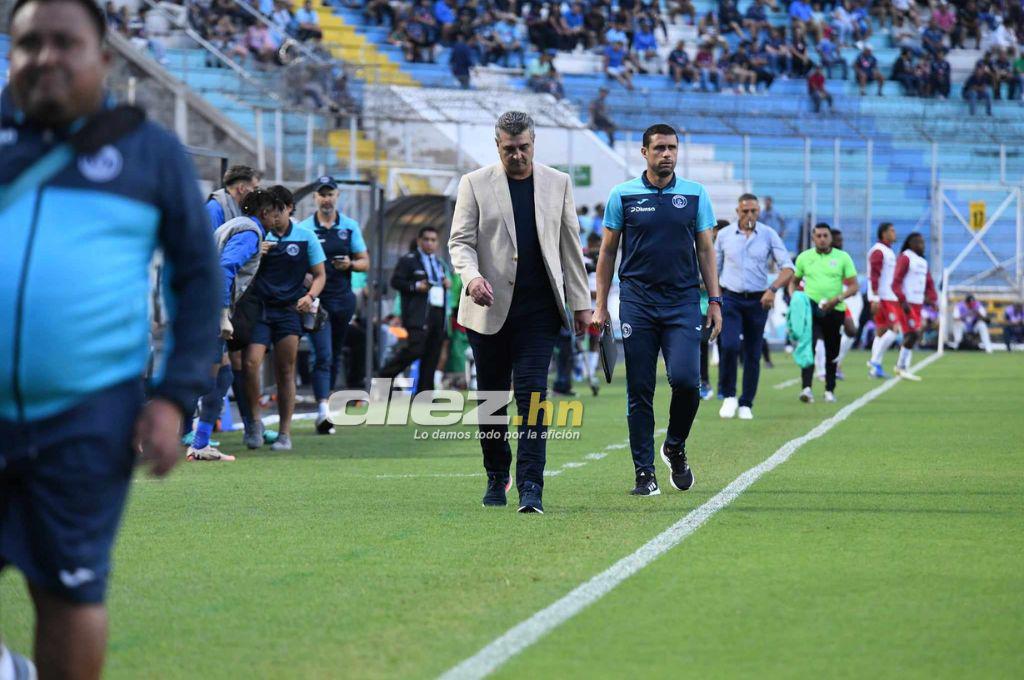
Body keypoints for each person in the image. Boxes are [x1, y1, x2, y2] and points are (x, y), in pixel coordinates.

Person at [1, 0, 221, 675]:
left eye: (65, 42)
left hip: (86, 413)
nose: (46, 56)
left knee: (69, 591)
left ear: (104, 57)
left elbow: (198, 280)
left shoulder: (147, 150)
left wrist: (172, 398)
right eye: (28, 42)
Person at [448, 111, 591, 514]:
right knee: (492, 400)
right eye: (509, 149)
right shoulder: (474, 184)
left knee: (533, 397)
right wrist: (472, 279)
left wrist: (581, 304)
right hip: (487, 307)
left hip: (539, 310)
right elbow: (460, 242)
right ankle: (497, 474)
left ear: (534, 144)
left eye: (524, 147)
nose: (517, 155)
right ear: (498, 146)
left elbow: (569, 247)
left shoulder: (558, 183)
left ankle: (532, 485)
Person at [593, 123, 722, 497]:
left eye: (672, 148)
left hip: (683, 301)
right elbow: (607, 252)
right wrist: (600, 304)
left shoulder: (696, 195)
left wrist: (714, 301)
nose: (667, 154)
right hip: (637, 301)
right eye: (660, 148)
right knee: (640, 389)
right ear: (644, 152)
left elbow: (705, 251)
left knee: (686, 381)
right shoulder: (623, 194)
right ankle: (644, 473)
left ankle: (675, 445)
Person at [243, 190, 327, 451]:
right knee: (250, 363)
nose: (273, 217)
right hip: (260, 308)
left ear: (289, 209)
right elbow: (240, 265)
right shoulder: (259, 235)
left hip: (289, 311)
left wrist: (310, 296)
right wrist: (256, 252)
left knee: (285, 369)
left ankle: (284, 433)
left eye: (278, 211)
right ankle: (255, 424)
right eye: (269, 211)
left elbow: (320, 274)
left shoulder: (305, 236)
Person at [297, 177, 369, 433]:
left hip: (343, 300)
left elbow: (364, 261)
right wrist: (304, 277)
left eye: (330, 194)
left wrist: (349, 264)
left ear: (338, 196)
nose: (326, 199)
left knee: (335, 353)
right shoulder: (304, 228)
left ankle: (327, 405)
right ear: (315, 198)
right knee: (322, 354)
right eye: (321, 194)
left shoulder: (349, 226)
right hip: (318, 301)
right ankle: (322, 409)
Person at [715, 194, 794, 420]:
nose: (749, 215)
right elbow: (714, 268)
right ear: (737, 212)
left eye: (753, 211)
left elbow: (788, 267)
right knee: (729, 346)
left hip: (759, 299)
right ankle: (729, 395)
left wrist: (773, 289)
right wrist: (715, 298)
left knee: (753, 352)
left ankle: (746, 402)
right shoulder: (724, 235)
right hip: (730, 297)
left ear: (758, 212)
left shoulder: (769, 234)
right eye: (745, 211)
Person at [791, 224, 859, 403]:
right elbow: (794, 281)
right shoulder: (804, 257)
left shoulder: (842, 257)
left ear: (830, 238)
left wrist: (838, 298)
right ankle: (806, 388)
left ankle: (830, 389)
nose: (822, 239)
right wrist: (795, 299)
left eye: (825, 235)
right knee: (809, 346)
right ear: (813, 238)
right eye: (818, 236)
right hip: (811, 308)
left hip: (834, 309)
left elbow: (853, 285)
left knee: (832, 350)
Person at [378, 226, 450, 393]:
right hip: (418, 315)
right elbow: (396, 282)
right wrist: (416, 286)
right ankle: (384, 376)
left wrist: (447, 284)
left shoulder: (439, 263)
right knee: (415, 349)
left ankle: (425, 395)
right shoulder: (409, 260)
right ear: (419, 241)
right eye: (426, 239)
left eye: (433, 240)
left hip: (438, 313)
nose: (430, 243)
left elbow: (441, 284)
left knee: (432, 355)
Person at [891, 232, 938, 379]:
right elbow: (896, 282)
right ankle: (900, 367)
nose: (922, 246)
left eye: (923, 243)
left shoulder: (922, 262)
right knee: (913, 334)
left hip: (918, 304)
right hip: (906, 303)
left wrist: (933, 299)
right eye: (919, 243)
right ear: (911, 244)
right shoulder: (906, 257)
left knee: (913, 334)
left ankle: (903, 367)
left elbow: (929, 283)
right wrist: (902, 300)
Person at [867, 222, 903, 379]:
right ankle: (874, 361)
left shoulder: (887, 251)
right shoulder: (878, 252)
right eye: (892, 231)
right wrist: (875, 297)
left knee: (881, 332)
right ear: (883, 233)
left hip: (886, 296)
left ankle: (875, 369)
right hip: (883, 297)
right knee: (896, 329)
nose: (895, 233)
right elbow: (874, 275)